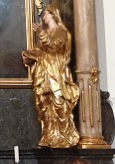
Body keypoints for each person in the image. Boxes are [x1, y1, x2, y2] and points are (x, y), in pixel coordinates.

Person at [21, 6, 80, 149]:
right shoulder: (47, 33)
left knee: (59, 103)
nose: (43, 17)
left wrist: (41, 33)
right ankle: (51, 135)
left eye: (46, 14)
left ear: (53, 14)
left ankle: (65, 135)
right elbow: (41, 51)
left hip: (57, 73)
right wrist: (30, 55)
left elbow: (54, 47)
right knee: (45, 105)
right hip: (44, 73)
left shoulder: (62, 32)